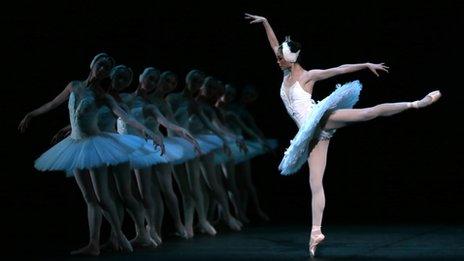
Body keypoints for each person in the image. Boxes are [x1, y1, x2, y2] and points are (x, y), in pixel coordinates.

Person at [245, 13, 441, 257]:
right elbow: (274, 44)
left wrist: (365, 65)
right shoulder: (285, 72)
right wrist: (265, 22)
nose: (276, 60)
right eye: (277, 57)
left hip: (321, 119)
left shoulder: (307, 76)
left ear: (290, 59)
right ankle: (315, 232)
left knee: (367, 113)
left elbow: (338, 70)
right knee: (315, 183)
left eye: (280, 58)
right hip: (312, 136)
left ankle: (416, 103)